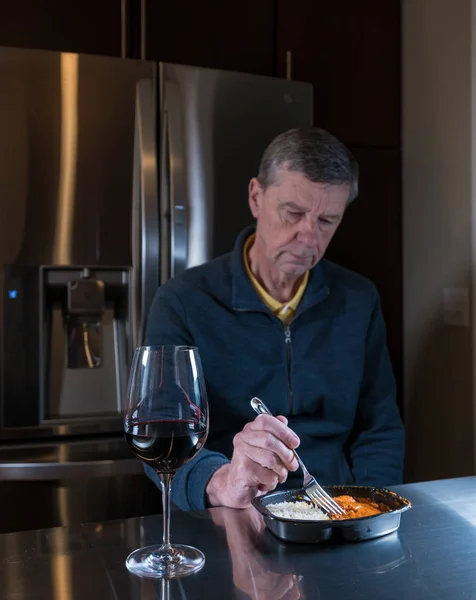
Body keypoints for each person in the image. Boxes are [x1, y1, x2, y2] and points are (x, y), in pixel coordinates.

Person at [144, 127, 405, 511]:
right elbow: (161, 434)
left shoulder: (358, 300)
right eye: (293, 213)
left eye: (327, 221)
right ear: (256, 197)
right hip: (229, 512)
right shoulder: (182, 301)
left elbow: (379, 429)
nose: (308, 238)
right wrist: (221, 483)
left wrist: (366, 511)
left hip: (337, 508)